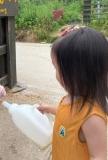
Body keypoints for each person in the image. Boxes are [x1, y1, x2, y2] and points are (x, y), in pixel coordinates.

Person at [37, 27, 108, 160]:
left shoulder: (92, 118)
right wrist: (48, 108)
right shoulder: (72, 97)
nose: (55, 74)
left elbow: (99, 156)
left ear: (77, 73)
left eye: (57, 68)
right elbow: (68, 114)